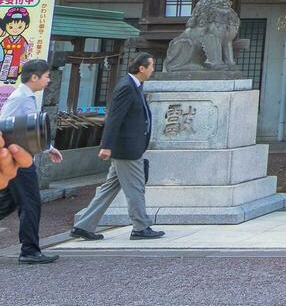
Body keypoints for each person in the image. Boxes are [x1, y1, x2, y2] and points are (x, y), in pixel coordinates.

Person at [70, 53, 164, 241]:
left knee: (109, 188)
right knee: (136, 187)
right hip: (127, 149)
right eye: (151, 66)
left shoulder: (134, 86)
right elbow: (114, 118)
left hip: (128, 147)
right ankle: (140, 226)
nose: (153, 69)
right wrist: (106, 145)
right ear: (141, 68)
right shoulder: (127, 87)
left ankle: (84, 225)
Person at [0, 58, 64, 264]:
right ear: (34, 77)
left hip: (17, 159)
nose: (48, 80)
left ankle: (30, 249)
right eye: (46, 76)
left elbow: (30, 131)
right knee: (30, 203)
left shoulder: (26, 96)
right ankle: (29, 250)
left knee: (9, 203)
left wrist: (48, 148)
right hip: (17, 161)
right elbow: (4, 125)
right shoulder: (20, 98)